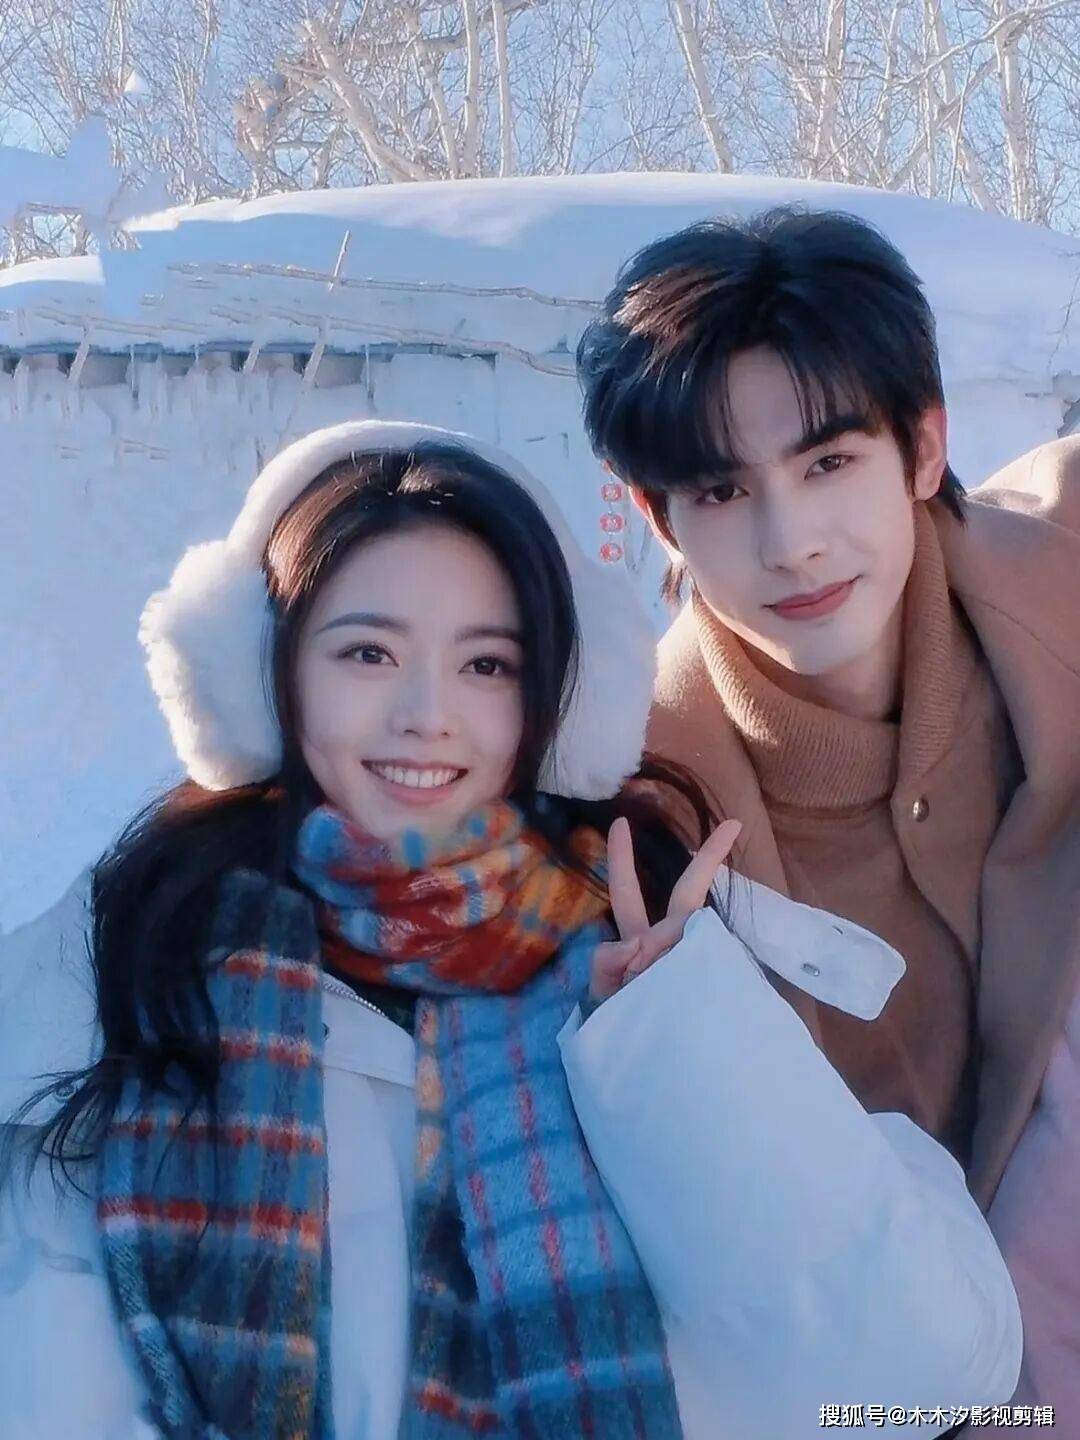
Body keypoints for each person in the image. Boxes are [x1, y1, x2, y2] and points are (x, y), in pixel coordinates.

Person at [0, 420, 1022, 1440]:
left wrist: (685, 1048)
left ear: (556, 698)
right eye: (368, 652)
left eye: (486, 665)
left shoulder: (644, 967)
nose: (427, 714)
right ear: (264, 673)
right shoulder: (115, 970)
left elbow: (915, 1381)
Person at [577, 207, 1080, 1423]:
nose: (791, 543)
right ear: (658, 516)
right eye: (721, 488)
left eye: (828, 463)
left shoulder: (1057, 583)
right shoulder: (632, 815)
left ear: (923, 446)